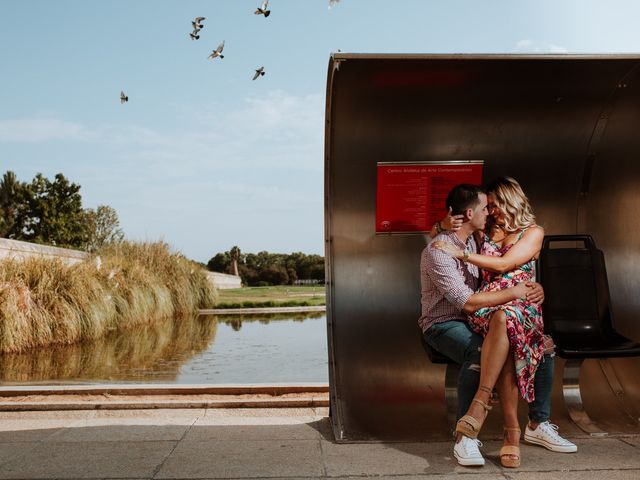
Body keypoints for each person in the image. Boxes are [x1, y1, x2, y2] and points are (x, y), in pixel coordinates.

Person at [419, 183, 576, 468]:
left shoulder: (533, 232)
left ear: (511, 202)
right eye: (487, 207)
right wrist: (439, 225)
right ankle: (510, 433)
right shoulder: (482, 232)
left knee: (523, 333)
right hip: (483, 308)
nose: (490, 212)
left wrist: (533, 288)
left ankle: (510, 419)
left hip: (516, 305)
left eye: (494, 206)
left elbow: (504, 265)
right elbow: (449, 234)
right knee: (508, 330)